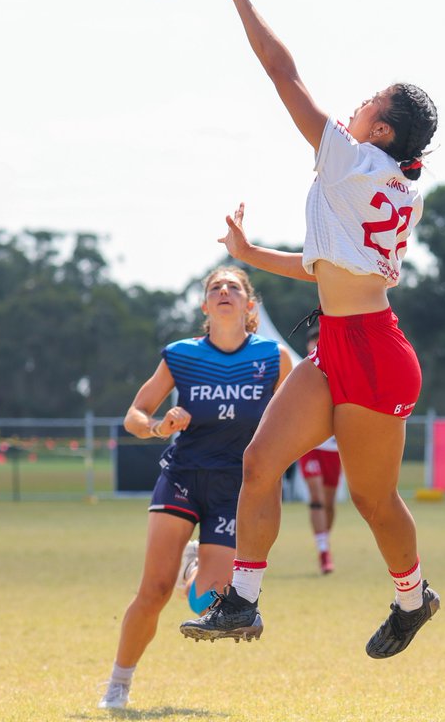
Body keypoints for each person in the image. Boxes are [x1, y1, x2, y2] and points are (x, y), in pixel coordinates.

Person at [179, 0, 441, 659]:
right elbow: (327, 267)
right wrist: (251, 252)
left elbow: (281, 73)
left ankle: (413, 599)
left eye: (370, 103)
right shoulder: (380, 176)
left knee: (373, 502)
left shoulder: (351, 162)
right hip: (341, 343)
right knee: (260, 462)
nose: (356, 105)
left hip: (377, 355)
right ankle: (243, 602)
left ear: (381, 132)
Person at [97, 266, 292, 709]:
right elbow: (135, 413)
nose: (224, 292)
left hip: (237, 488)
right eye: (215, 288)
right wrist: (157, 426)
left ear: (250, 305)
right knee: (153, 591)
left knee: (207, 599)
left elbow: (297, 415)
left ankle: (193, 569)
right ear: (205, 306)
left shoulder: (274, 358)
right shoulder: (180, 355)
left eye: (234, 288)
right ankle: (117, 686)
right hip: (183, 476)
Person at [297, 324, 343, 575]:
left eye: (320, 341)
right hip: (309, 444)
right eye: (312, 341)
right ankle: (324, 553)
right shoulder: (301, 368)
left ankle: (324, 541)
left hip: (334, 446)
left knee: (329, 501)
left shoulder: (340, 368)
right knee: (315, 496)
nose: (316, 345)